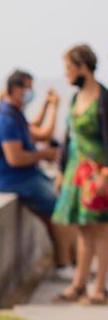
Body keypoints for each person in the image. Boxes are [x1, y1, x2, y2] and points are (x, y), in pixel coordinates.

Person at [0, 69, 70, 269]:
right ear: (15, 89)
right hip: (14, 179)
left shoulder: (15, 115)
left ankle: (66, 261)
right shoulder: (6, 119)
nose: (29, 93)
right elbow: (14, 158)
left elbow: (36, 130)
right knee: (60, 209)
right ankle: (64, 264)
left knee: (59, 203)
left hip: (26, 176)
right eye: (27, 89)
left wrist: (48, 106)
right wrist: (44, 154)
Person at [52, 44, 108, 304]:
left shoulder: (103, 98)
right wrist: (62, 172)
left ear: (82, 67)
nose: (67, 75)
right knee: (83, 229)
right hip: (77, 171)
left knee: (100, 230)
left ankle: (98, 288)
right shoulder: (75, 99)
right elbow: (67, 138)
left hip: (98, 172)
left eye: (69, 69)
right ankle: (79, 284)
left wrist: (104, 176)